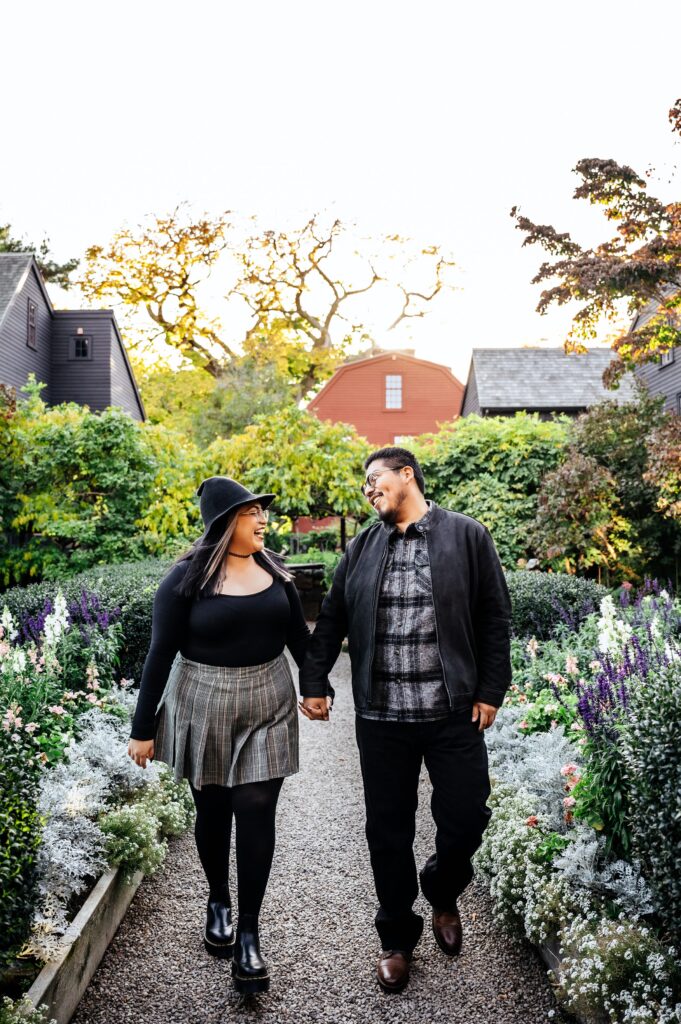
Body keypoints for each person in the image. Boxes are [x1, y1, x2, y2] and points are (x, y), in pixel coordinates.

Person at [299, 447, 512, 993]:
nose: (368, 490)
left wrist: (491, 689)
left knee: (467, 816)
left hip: (452, 712)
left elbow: (494, 615)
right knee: (387, 832)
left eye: (375, 479)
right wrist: (315, 680)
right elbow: (332, 619)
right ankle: (396, 937)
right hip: (382, 717)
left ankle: (442, 890)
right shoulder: (363, 547)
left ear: (406, 475)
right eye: (364, 485)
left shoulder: (467, 536)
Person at [127, 476, 326, 995]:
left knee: (257, 809)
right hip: (203, 702)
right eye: (250, 513)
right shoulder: (184, 580)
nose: (262, 520)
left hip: (268, 701)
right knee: (212, 813)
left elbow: (297, 638)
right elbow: (160, 652)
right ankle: (218, 897)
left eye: (263, 512)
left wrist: (315, 685)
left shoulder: (276, 572)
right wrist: (142, 728)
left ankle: (249, 934)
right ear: (224, 523)